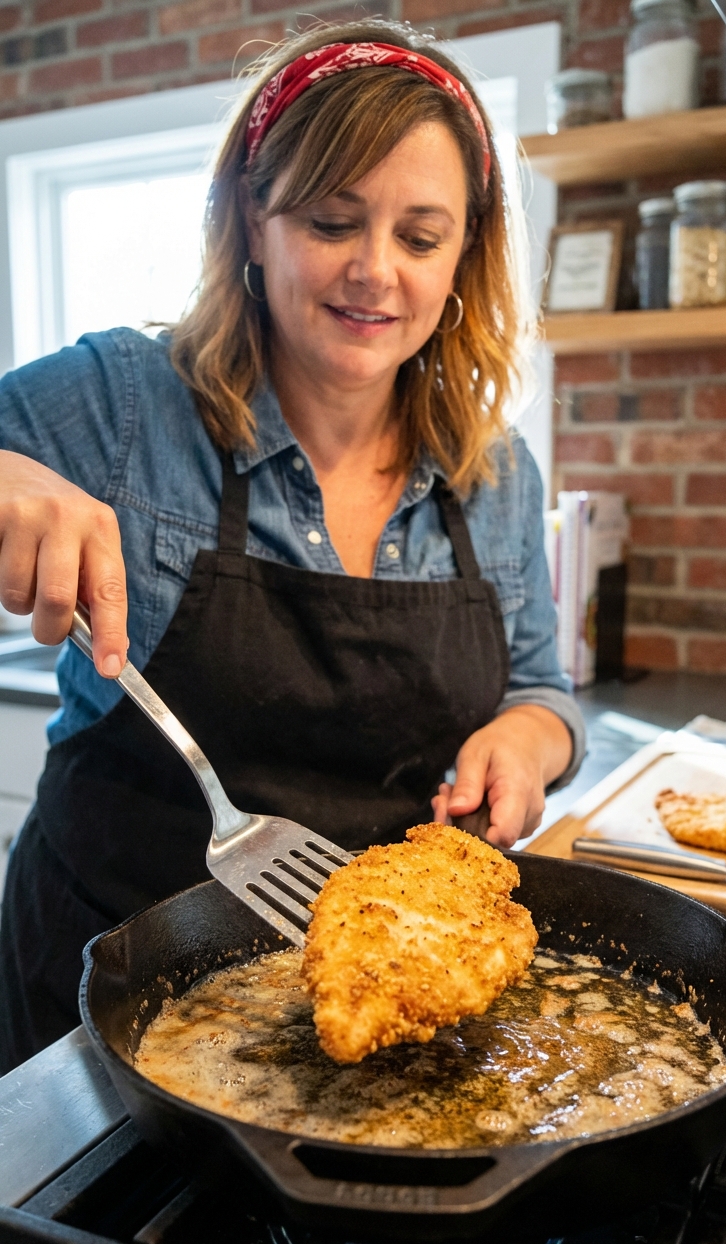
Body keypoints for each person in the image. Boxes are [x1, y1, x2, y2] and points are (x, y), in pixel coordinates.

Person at [0, 20, 585, 1073]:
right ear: (249, 222)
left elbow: (542, 688)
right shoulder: (122, 405)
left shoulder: (491, 473)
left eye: (419, 236)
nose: (374, 271)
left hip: (384, 1009)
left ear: (463, 257)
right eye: (330, 220)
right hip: (95, 985)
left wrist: (527, 740)